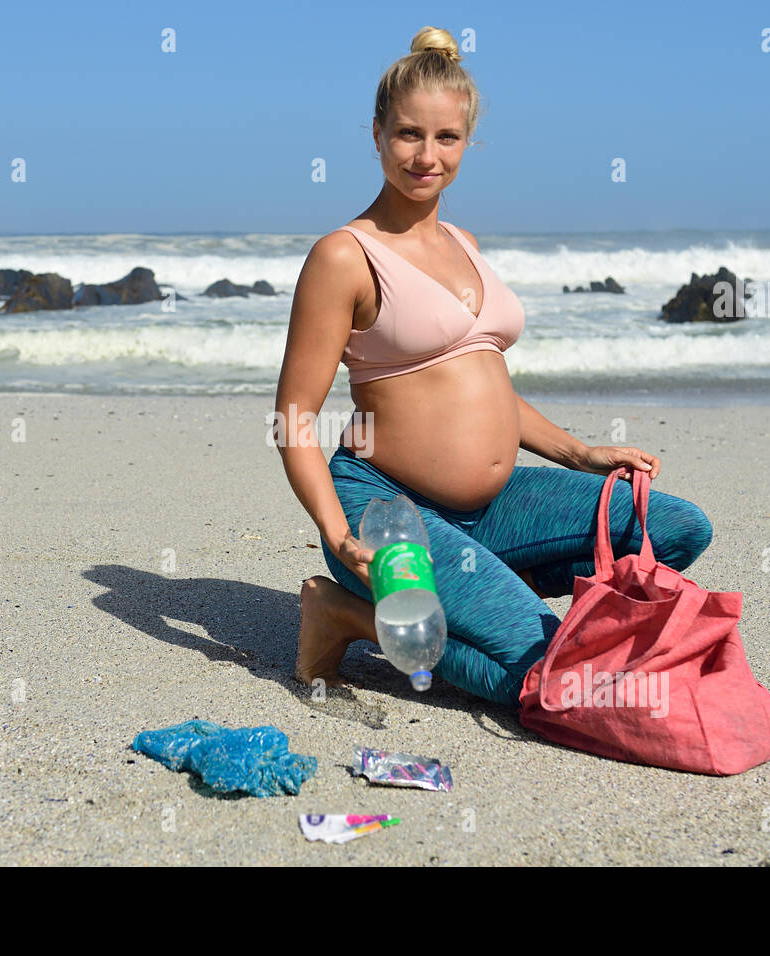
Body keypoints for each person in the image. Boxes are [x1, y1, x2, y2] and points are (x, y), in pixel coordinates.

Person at [272, 26, 713, 707]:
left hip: (494, 511)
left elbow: (483, 381)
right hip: (389, 513)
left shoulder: (465, 243)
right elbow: (294, 418)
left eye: (446, 138)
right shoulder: (345, 256)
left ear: (467, 141)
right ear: (377, 134)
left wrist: (577, 451)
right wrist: (337, 532)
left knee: (677, 528)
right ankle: (349, 612)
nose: (426, 156)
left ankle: (475, 598)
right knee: (550, 678)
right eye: (407, 135)